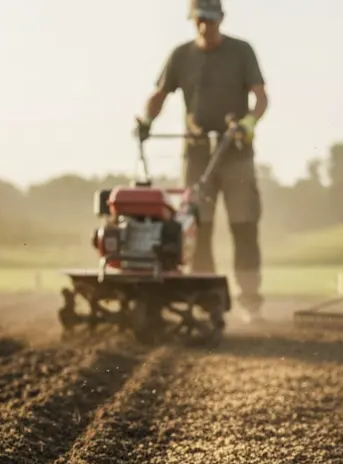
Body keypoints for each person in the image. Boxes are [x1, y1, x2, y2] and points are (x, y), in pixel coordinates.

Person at [136, 0, 269, 322]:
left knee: (244, 225)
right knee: (197, 228)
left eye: (210, 20)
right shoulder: (181, 55)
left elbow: (260, 96)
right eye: (199, 20)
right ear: (192, 19)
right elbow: (159, 95)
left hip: (234, 152)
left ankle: (250, 303)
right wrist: (146, 121)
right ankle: (203, 299)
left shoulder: (241, 52)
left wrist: (248, 123)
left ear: (221, 19)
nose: (205, 26)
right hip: (196, 153)